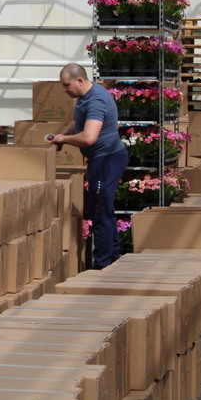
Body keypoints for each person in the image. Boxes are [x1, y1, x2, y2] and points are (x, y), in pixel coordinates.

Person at [51, 63, 129, 269]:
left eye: (66, 85)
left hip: (107, 160)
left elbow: (88, 138)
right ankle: (112, 257)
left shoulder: (96, 101)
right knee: (103, 208)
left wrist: (64, 140)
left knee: (100, 210)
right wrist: (68, 132)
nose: (64, 89)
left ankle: (102, 264)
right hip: (101, 159)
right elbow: (83, 123)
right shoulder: (85, 96)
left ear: (79, 80)